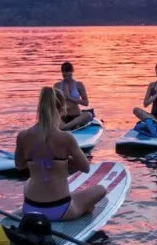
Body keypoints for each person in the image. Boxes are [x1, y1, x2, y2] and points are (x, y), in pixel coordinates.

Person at [14, 86, 106, 221]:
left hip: (30, 208)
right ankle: (85, 209)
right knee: (101, 189)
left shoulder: (22, 136)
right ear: (63, 109)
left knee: (29, 181)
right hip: (60, 210)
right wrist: (65, 160)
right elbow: (85, 167)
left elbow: (19, 165)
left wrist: (39, 161)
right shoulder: (66, 138)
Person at [54, 61, 94, 131]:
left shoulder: (79, 85)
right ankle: (69, 126)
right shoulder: (56, 86)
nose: (66, 78)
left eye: (68, 76)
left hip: (76, 116)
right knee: (52, 116)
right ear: (62, 73)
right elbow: (53, 104)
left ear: (72, 72)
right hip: (62, 117)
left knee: (88, 115)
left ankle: (65, 127)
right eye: (64, 76)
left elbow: (86, 103)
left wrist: (69, 98)